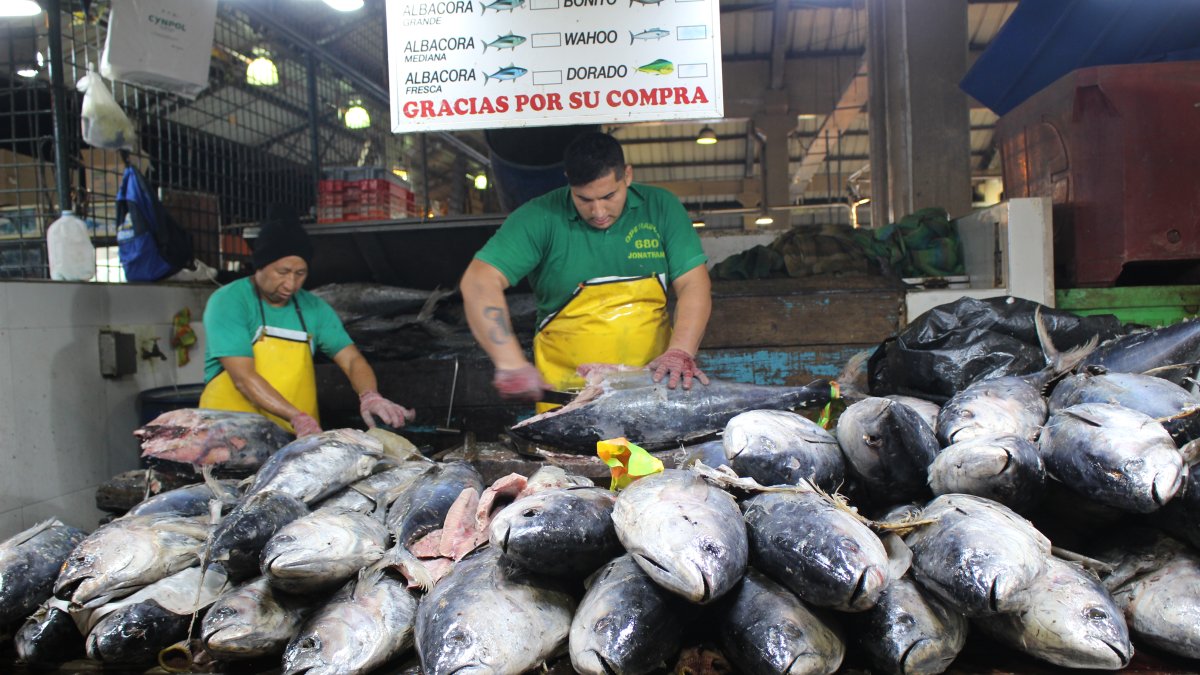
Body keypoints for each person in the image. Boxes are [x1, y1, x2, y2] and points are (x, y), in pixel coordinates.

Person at [461, 131, 712, 410]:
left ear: (627, 176)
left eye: (609, 196)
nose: (598, 211)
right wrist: (509, 362)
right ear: (568, 180)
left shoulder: (661, 207)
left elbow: (693, 283)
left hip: (650, 392)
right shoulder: (540, 217)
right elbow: (479, 281)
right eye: (584, 199)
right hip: (566, 397)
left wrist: (680, 351)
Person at [200, 208, 414, 436]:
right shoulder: (230, 301)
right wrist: (297, 417)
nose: (291, 284)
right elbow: (243, 378)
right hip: (226, 434)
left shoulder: (314, 307)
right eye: (282, 272)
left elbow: (351, 359)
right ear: (260, 265)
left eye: (300, 273)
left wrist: (369, 395)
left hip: (294, 436)